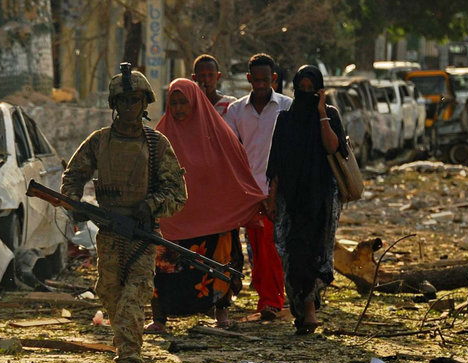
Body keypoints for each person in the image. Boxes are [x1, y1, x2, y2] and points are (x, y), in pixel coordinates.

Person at [61, 64, 187, 363]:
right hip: (109, 233)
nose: (130, 106)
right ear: (113, 104)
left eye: (136, 100)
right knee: (109, 291)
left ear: (145, 103)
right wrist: (75, 203)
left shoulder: (157, 145)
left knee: (137, 292)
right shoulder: (99, 141)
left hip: (142, 233)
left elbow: (177, 192)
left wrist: (149, 206)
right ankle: (127, 345)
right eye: (123, 100)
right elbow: (73, 176)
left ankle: (129, 359)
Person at [143, 78, 266, 333]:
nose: (177, 109)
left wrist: (249, 200)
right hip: (174, 220)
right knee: (163, 268)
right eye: (173, 103)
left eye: (183, 103)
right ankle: (159, 319)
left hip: (214, 218)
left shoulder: (219, 133)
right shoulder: (160, 136)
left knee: (220, 264)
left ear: (195, 102)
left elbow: (237, 170)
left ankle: (222, 314)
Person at [266, 65, 346, 335]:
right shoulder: (286, 120)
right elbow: (275, 162)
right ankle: (303, 309)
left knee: (315, 254)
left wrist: (322, 112)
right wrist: (273, 197)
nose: (307, 93)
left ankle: (309, 310)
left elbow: (332, 147)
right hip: (292, 200)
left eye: (313, 90)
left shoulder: (330, 115)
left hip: (321, 198)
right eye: (303, 89)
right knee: (291, 254)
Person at [224, 53, 292, 321]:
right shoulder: (236, 111)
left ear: (273, 79)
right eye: (257, 80)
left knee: (272, 248)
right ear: (249, 79)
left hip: (278, 190)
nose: (261, 84)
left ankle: (272, 300)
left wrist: (277, 190)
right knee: (255, 248)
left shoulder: (287, 107)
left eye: (266, 79)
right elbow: (231, 150)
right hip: (249, 191)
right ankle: (266, 297)